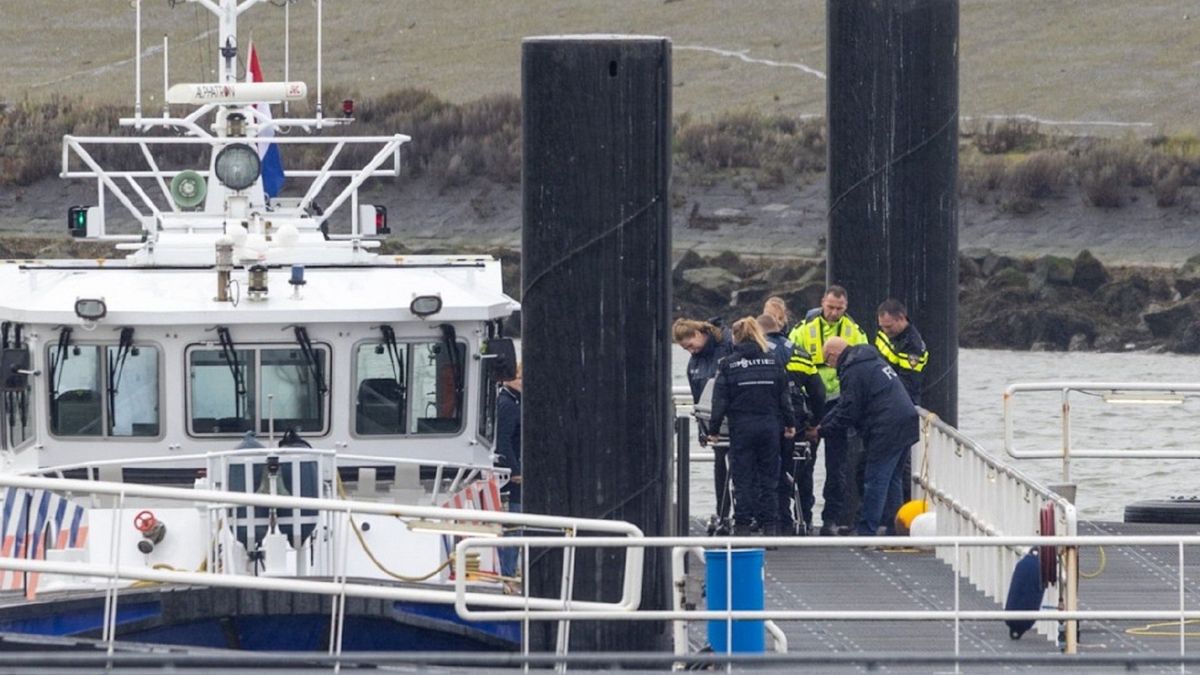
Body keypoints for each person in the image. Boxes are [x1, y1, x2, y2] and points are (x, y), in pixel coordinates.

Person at [807, 337, 919, 536]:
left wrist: (821, 432)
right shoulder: (869, 361)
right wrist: (823, 424)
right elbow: (844, 403)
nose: (830, 366)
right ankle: (895, 528)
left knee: (875, 479)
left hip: (887, 428)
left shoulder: (853, 371)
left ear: (833, 355)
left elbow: (848, 411)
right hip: (906, 422)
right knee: (892, 479)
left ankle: (867, 530)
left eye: (827, 361)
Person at [788, 285, 867, 535]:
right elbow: (789, 365)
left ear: (846, 307)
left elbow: (864, 366)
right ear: (822, 302)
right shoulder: (803, 330)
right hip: (810, 404)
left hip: (839, 403)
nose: (833, 313)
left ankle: (831, 518)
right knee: (804, 463)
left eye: (839, 308)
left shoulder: (855, 332)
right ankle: (804, 515)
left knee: (837, 466)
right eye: (830, 307)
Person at [708, 317, 796, 536]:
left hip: (742, 428)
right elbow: (784, 398)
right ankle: (771, 529)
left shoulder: (728, 364)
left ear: (735, 338)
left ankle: (743, 527)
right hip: (769, 427)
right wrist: (790, 424)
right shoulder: (773, 362)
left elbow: (719, 401)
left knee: (743, 479)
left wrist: (713, 430)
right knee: (769, 479)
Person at [758, 313, 825, 535]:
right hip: (796, 422)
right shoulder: (800, 352)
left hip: (767, 420)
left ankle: (772, 520)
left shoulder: (758, 351)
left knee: (767, 470)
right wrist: (814, 423)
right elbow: (818, 392)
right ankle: (804, 518)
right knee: (802, 471)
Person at [673, 317, 734, 532]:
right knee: (720, 466)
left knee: (738, 466)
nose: (691, 351)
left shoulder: (727, 345)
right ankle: (722, 513)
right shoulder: (694, 363)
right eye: (685, 349)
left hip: (735, 417)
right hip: (713, 423)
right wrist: (703, 429)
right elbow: (697, 397)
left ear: (699, 334)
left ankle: (745, 514)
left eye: (691, 345)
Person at [875, 299, 928, 503]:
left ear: (901, 319)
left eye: (889, 327)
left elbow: (908, 383)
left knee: (901, 466)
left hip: (901, 408)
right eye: (882, 327)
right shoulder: (886, 332)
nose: (885, 331)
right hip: (884, 404)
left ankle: (901, 511)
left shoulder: (912, 345)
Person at [495, 363, 522, 582]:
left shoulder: (513, 402)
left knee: (516, 526)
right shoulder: (508, 405)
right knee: (515, 526)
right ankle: (508, 572)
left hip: (514, 471)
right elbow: (503, 441)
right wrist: (515, 470)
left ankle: (510, 570)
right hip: (513, 478)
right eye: (520, 378)